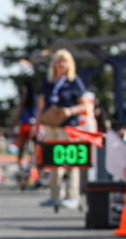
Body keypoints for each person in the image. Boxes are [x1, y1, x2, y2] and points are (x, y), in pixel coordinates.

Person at [37, 49, 86, 209]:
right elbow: (42, 103)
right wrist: (38, 121)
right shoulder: (49, 81)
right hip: (51, 124)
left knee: (70, 161)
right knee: (53, 161)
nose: (61, 64)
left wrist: (70, 111)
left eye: (64, 61)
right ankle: (54, 195)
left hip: (68, 125)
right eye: (58, 61)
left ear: (69, 64)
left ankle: (72, 195)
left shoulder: (74, 81)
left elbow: (84, 104)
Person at [11, 80, 38, 170]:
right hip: (34, 124)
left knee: (21, 146)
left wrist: (15, 122)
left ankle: (20, 163)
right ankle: (34, 162)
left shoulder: (24, 98)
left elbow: (19, 111)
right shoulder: (36, 98)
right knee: (35, 146)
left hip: (25, 125)